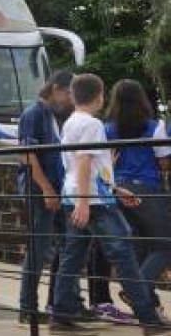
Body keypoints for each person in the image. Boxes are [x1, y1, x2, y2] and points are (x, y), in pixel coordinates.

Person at [51, 74, 170, 335]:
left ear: (73, 95)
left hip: (75, 196)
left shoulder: (70, 122)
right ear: (99, 96)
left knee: (72, 257)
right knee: (124, 254)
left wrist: (116, 189)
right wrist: (86, 201)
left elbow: (85, 166)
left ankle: (59, 314)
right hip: (92, 201)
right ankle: (148, 320)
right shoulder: (92, 124)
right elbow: (84, 162)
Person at [103, 79, 171, 317]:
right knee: (165, 245)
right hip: (146, 190)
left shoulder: (106, 129)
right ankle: (138, 291)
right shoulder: (155, 127)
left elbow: (105, 162)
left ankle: (150, 308)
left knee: (139, 247)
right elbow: (164, 162)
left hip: (118, 191)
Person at [16, 70, 74, 324]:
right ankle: (27, 307)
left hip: (51, 189)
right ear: (57, 88)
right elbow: (28, 154)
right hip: (39, 189)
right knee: (39, 249)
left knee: (64, 245)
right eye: (68, 92)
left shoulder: (51, 115)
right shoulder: (35, 113)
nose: (70, 98)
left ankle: (57, 303)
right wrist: (47, 189)